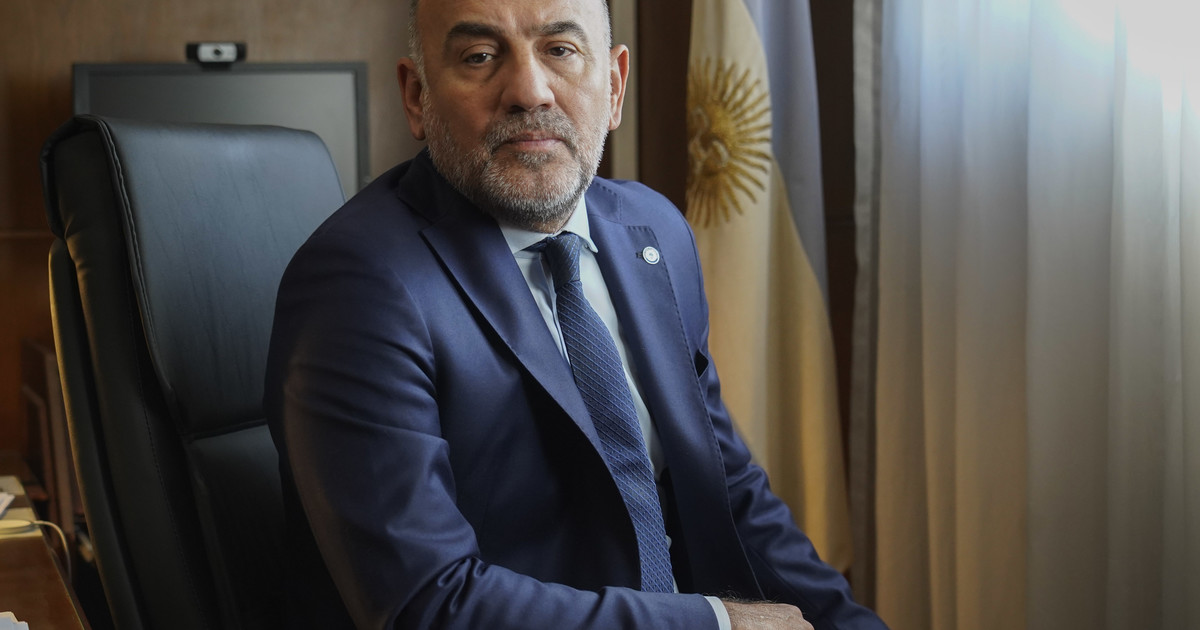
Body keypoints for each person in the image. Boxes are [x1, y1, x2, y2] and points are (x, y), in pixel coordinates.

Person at [264, 0, 888, 628]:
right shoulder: (360, 285)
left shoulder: (655, 230)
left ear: (614, 86)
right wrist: (717, 624)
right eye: (480, 57)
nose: (529, 91)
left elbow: (726, 490)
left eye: (560, 50)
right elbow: (426, 604)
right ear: (417, 96)